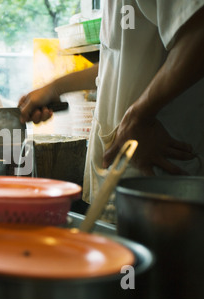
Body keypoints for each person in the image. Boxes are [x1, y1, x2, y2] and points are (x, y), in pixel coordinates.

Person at [19, 1, 204, 219]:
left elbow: (198, 37)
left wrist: (138, 116)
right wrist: (55, 88)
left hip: (161, 167)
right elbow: (117, 61)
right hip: (121, 169)